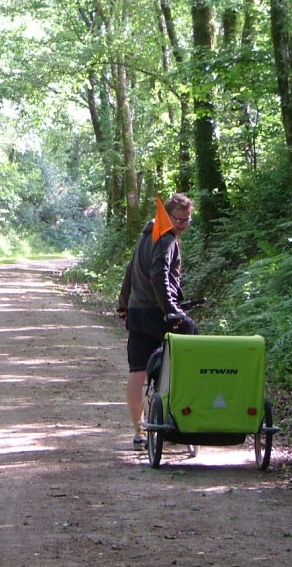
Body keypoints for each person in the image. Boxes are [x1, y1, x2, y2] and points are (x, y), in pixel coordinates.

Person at [117, 193, 197, 450]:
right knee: (186, 356)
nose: (184, 225)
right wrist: (172, 310)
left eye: (188, 220)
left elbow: (130, 271)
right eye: (180, 220)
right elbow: (159, 275)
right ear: (168, 216)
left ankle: (139, 430)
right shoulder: (165, 239)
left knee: (137, 371)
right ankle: (181, 420)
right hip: (155, 313)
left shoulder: (146, 235)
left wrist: (123, 303)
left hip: (137, 312)